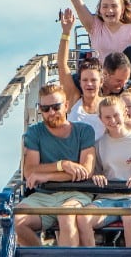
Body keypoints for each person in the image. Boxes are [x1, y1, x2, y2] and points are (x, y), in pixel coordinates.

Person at [15, 84, 96, 247]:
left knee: (65, 215)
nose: (51, 112)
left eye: (55, 107)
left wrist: (46, 176)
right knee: (16, 220)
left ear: (66, 106)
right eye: (45, 109)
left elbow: (85, 171)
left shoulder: (84, 131)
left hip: (76, 193)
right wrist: (63, 165)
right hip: (44, 195)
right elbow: (30, 170)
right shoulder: (35, 132)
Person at [77, 97, 131, 247]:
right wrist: (97, 177)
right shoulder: (99, 145)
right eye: (107, 117)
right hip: (108, 198)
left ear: (124, 113)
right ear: (101, 119)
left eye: (116, 115)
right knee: (83, 217)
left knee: (130, 218)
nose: (112, 121)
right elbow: (95, 172)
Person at [57, 8, 105, 139]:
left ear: (101, 81)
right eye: (85, 80)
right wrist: (66, 33)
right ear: (80, 81)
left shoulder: (108, 104)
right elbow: (62, 65)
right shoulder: (74, 99)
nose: (89, 84)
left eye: (93, 80)